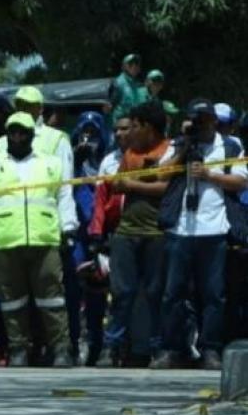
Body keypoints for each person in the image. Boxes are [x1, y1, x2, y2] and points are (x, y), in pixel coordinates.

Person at [0, 112, 78, 367]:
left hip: (44, 238)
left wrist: (68, 227)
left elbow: (64, 196)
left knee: (52, 297)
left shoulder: (50, 163)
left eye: (23, 132)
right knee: (12, 300)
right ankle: (18, 349)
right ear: (7, 135)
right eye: (13, 132)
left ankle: (60, 349)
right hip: (5, 240)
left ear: (31, 135)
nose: (18, 136)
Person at [154, 99, 248, 370]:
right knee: (173, 293)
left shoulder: (231, 146)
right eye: (195, 120)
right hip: (180, 228)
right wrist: (183, 149)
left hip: (214, 228)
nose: (199, 125)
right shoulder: (178, 144)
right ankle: (171, 348)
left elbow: (241, 181)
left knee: (213, 294)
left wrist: (208, 174)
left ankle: (210, 349)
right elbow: (160, 175)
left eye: (204, 120)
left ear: (213, 121)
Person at [100, 102, 170, 367]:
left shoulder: (170, 151)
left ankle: (158, 348)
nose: (130, 132)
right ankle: (111, 346)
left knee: (156, 292)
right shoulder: (130, 153)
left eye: (136, 126)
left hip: (157, 232)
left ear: (148, 128)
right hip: (126, 232)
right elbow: (117, 184)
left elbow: (167, 188)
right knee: (121, 292)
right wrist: (138, 182)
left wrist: (134, 183)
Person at [66, 111, 110, 366]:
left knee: (99, 290)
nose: (89, 138)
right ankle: (72, 342)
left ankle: (98, 344)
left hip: (102, 234)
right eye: (85, 132)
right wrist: (74, 164)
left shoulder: (110, 161)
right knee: (73, 288)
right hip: (77, 234)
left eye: (94, 133)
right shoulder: (70, 161)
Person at [0, 86, 74, 180]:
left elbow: (66, 178)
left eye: (29, 105)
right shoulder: (2, 141)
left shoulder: (57, 138)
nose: (23, 109)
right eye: (19, 104)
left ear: (40, 109)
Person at [109, 54, 147, 122]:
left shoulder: (138, 85)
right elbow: (110, 107)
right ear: (124, 67)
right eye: (131, 64)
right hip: (121, 124)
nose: (134, 66)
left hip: (134, 124)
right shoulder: (117, 83)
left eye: (137, 63)